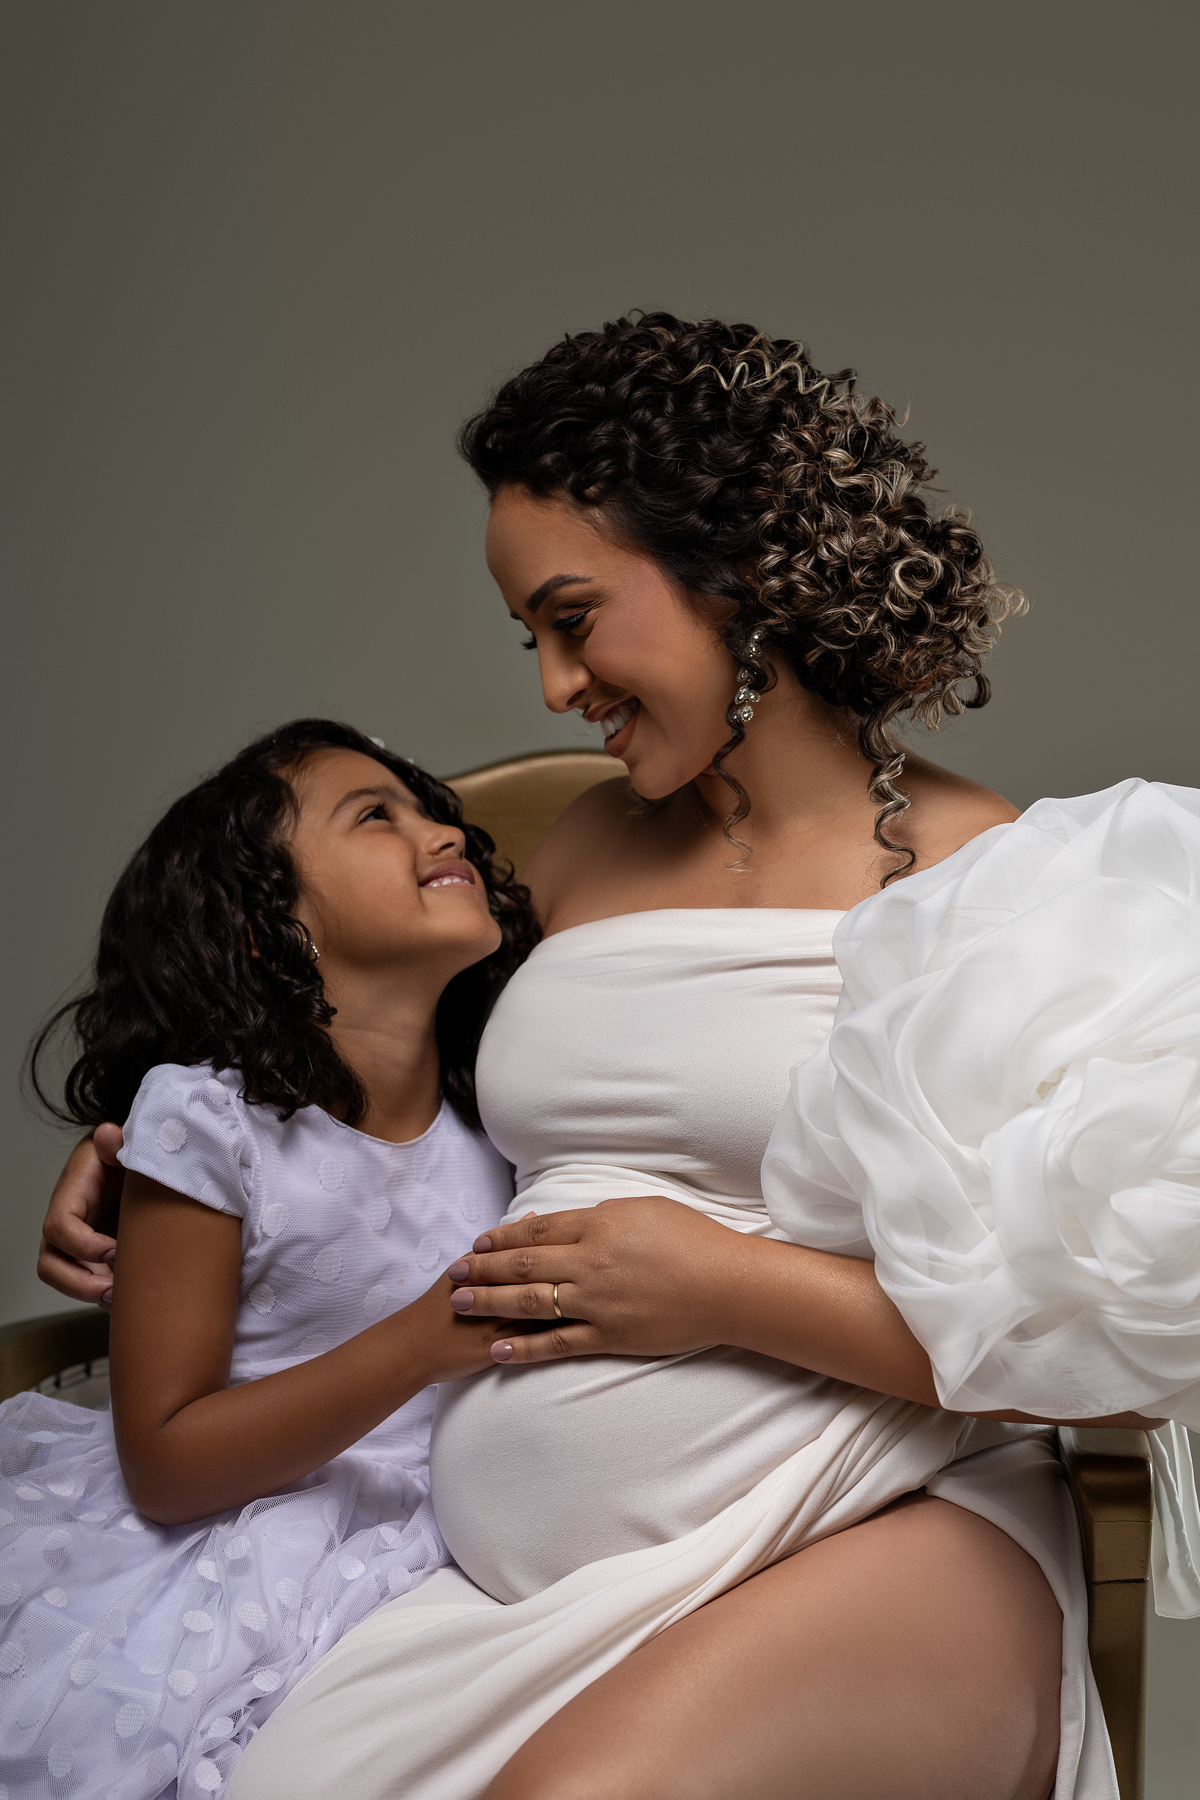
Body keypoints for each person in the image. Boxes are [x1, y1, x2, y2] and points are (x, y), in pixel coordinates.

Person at [40, 317, 1155, 1800]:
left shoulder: (985, 871)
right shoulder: (575, 852)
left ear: (740, 572)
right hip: (513, 1599)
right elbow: (358, 1064)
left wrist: (718, 1286)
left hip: (891, 1526)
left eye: (575, 619)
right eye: (533, 639)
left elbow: (1101, 1361)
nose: (558, 687)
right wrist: (149, 1157)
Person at [2, 719, 534, 1799]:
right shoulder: (207, 1122)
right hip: (238, 1543)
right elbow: (167, 1463)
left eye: (430, 809)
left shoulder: (510, 1109)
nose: (444, 831)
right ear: (265, 929)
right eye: (376, 815)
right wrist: (423, 1342)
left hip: (457, 1526)